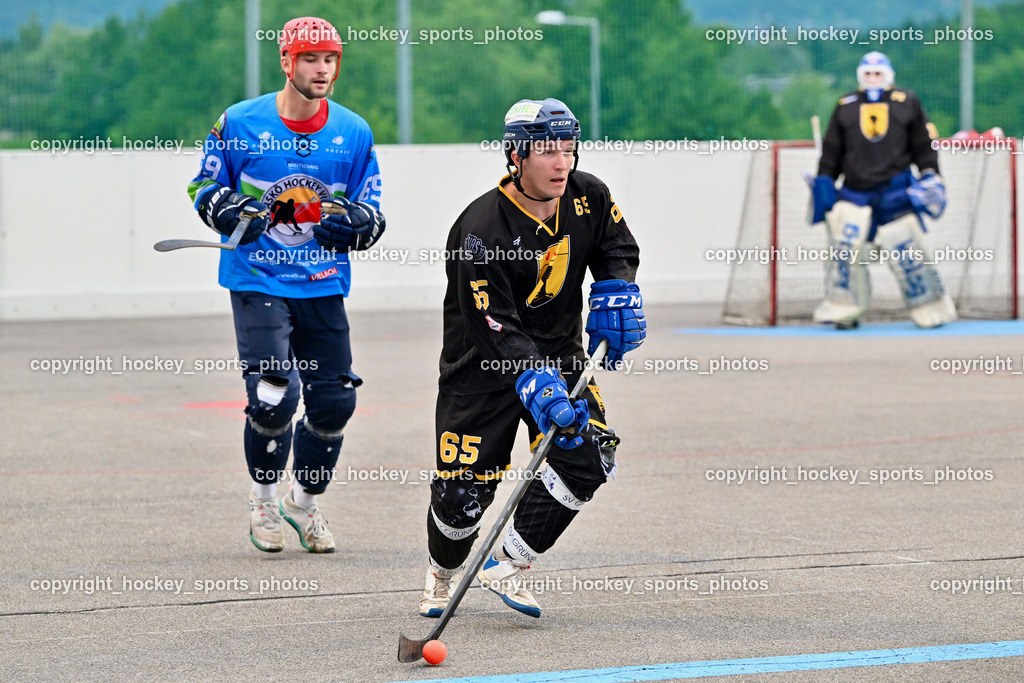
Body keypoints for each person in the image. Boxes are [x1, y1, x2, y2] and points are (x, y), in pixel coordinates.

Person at [418, 98, 645, 619]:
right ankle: (442, 571)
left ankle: (510, 565)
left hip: (562, 356)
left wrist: (617, 288)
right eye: (546, 150)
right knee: (461, 499)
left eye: (568, 147)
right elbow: (491, 322)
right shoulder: (479, 230)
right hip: (482, 369)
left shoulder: (590, 196)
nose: (561, 162)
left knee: (589, 457)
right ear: (516, 156)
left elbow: (617, 246)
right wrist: (530, 377)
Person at [186, 16, 385, 553]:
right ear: (286, 62)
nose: (322, 70)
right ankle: (264, 500)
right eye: (310, 59)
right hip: (257, 278)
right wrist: (226, 206)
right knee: (275, 394)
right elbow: (204, 183)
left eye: (330, 60)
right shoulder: (240, 122)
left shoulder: (353, 131)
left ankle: (304, 502)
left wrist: (360, 224)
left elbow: (372, 207)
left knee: (335, 403)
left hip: (321, 283)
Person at [809, 51, 955, 329]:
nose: (873, 79)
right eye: (867, 74)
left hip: (896, 193)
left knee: (909, 254)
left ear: (888, 75)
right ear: (859, 76)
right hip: (854, 192)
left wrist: (930, 175)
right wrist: (824, 180)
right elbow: (832, 150)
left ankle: (930, 309)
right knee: (845, 254)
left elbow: (922, 145)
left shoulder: (907, 102)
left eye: (878, 74)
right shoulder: (845, 105)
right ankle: (845, 311)